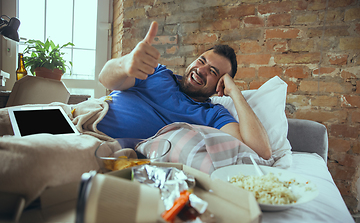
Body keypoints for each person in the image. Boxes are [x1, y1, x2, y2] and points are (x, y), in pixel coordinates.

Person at [97, 21, 272, 160]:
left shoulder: (214, 115)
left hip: (104, 146)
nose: (201, 70)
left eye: (213, 72)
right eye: (201, 61)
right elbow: (105, 79)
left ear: (220, 85)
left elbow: (262, 151)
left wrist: (235, 92)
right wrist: (125, 64)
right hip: (85, 119)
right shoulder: (158, 73)